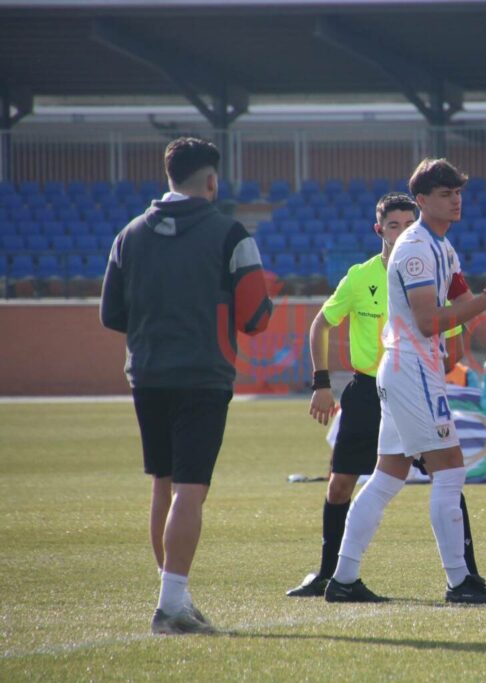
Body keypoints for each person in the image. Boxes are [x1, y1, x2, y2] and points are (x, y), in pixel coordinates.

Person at [325, 158, 486, 604]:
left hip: (409, 369)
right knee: (451, 470)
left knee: (387, 477)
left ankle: (343, 579)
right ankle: (460, 583)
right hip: (412, 369)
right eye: (445, 193)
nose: (455, 199)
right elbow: (428, 322)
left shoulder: (441, 247)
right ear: (422, 200)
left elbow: (473, 313)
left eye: (458, 192)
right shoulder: (417, 248)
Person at [100, 137, 273, 634]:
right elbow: (257, 317)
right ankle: (171, 607)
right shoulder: (231, 233)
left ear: (169, 176)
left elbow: (112, 314)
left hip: (147, 374)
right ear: (212, 180)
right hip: (203, 374)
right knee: (191, 490)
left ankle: (173, 594)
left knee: (163, 484)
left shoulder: (128, 234)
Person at [287, 193, 483, 597]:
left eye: (408, 224)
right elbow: (320, 324)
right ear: (379, 230)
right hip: (367, 389)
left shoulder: (426, 267)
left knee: (440, 476)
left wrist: (435, 373)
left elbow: (455, 339)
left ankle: (467, 574)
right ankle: (332, 574)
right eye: (393, 225)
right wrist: (321, 383)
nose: (402, 232)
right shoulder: (361, 276)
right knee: (344, 483)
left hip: (409, 383)